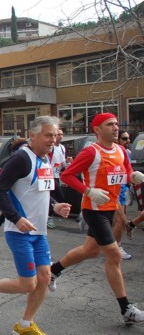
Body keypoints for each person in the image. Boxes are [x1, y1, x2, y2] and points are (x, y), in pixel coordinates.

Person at [0, 116, 72, 335]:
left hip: (39, 233)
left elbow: (39, 192)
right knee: (27, 284)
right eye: (47, 135)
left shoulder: (45, 159)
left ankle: (24, 325)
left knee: (44, 278)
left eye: (55, 135)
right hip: (19, 232)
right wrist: (15, 218)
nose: (53, 140)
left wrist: (55, 206)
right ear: (32, 136)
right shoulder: (22, 159)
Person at [51, 113, 144, 324]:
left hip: (111, 208)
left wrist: (133, 176)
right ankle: (126, 308)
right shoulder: (91, 152)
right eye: (109, 125)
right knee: (114, 254)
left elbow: (126, 171)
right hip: (93, 210)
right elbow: (67, 176)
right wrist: (89, 191)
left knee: (89, 251)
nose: (115, 128)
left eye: (116, 124)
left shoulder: (121, 150)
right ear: (97, 129)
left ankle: (53, 270)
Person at [0, 137, 28, 250]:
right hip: (10, 192)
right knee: (5, 216)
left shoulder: (30, 158)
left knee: (6, 216)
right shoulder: (16, 159)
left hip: (23, 194)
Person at [114, 130, 133, 259]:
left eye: (128, 138)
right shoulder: (113, 151)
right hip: (112, 191)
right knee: (121, 220)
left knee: (120, 220)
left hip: (122, 188)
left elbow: (128, 169)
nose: (128, 141)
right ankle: (116, 247)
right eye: (125, 138)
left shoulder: (125, 152)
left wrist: (132, 177)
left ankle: (114, 246)